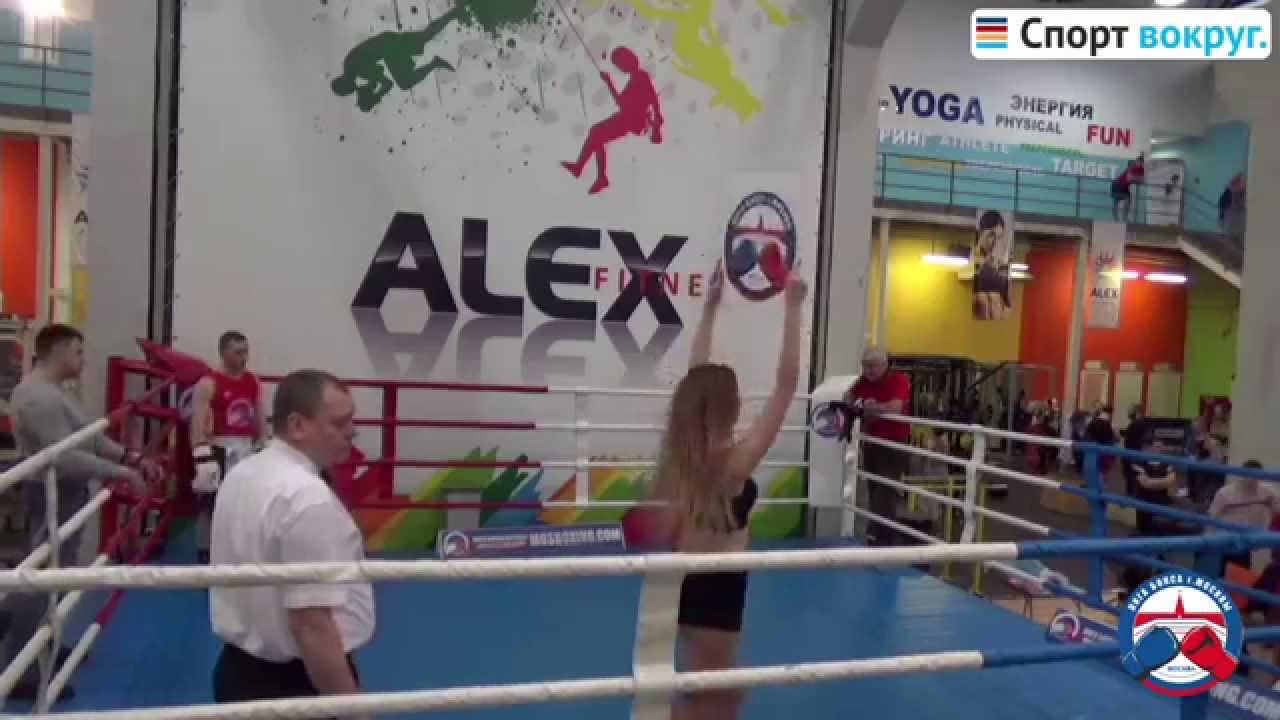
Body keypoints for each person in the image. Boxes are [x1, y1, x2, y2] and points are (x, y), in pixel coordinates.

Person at [647, 261, 806, 720]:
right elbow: (786, 387)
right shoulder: (734, 464)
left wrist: (710, 308)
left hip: (684, 578)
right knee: (718, 697)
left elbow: (697, 377)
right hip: (719, 586)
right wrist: (793, 308)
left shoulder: (685, 454)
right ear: (730, 407)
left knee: (710, 690)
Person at [3, 324, 159, 701]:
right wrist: (122, 472)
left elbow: (87, 436)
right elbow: (64, 456)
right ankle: (21, 665)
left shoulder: (55, 392)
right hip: (53, 491)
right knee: (44, 576)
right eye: (77, 351)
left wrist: (130, 457)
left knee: (57, 572)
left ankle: (42, 643)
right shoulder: (38, 398)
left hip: (65, 491)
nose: (83, 359)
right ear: (57, 350)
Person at [210, 370, 372, 714]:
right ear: (298, 425)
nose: (352, 432)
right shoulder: (307, 498)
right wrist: (354, 712)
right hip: (295, 683)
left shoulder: (242, 473)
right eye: (339, 423)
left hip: (236, 672)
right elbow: (312, 626)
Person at [189, 331, 268, 564]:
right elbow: (198, 420)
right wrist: (201, 454)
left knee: (245, 504)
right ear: (224, 353)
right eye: (238, 352)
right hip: (218, 447)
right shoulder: (208, 383)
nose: (244, 357)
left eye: (246, 351)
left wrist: (264, 443)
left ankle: (238, 554)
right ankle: (204, 555)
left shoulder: (253, 381)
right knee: (209, 503)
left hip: (246, 449)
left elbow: (260, 415)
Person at [562, 46, 664, 195]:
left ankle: (597, 176)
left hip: (630, 121)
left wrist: (609, 83)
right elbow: (652, 97)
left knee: (596, 134)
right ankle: (583, 169)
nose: (619, 68)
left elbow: (623, 103)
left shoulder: (639, 78)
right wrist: (657, 114)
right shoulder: (640, 76)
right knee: (596, 134)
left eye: (619, 65)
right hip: (629, 118)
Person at [845, 346, 912, 546]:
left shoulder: (898, 379)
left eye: (873, 366)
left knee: (885, 491)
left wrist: (871, 408)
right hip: (872, 443)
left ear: (885, 364)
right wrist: (859, 406)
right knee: (874, 489)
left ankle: (882, 538)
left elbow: (896, 408)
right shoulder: (863, 381)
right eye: (865, 366)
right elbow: (847, 397)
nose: (869, 370)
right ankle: (879, 537)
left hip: (893, 444)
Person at [1207, 460, 1279, 573]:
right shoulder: (1225, 493)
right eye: (1249, 475)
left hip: (1245, 542)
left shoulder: (1267, 493)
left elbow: (1277, 512)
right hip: (1225, 540)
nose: (1251, 480)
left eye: (1255, 476)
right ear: (1242, 474)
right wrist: (1209, 542)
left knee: (1240, 574)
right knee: (1219, 574)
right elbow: (1212, 517)